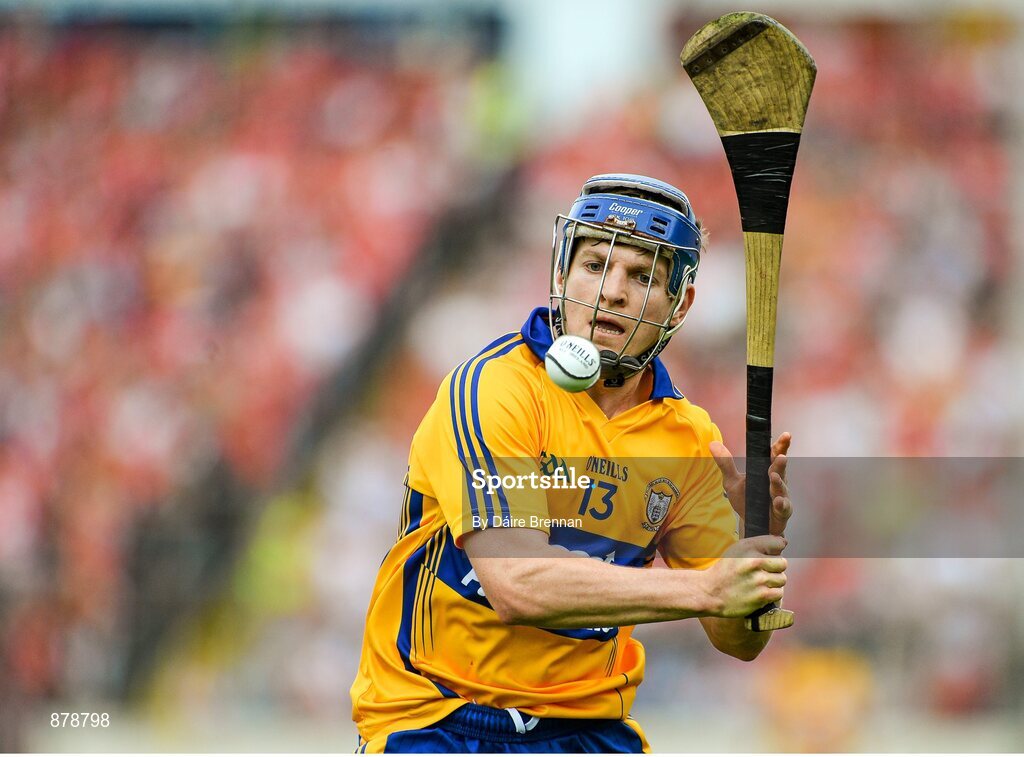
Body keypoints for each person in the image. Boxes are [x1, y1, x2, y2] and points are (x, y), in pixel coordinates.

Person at [350, 174, 794, 753]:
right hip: (437, 718)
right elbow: (517, 584)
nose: (612, 292)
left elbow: (738, 641)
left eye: (642, 276)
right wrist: (707, 587)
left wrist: (756, 554)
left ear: (679, 303)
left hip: (584, 729)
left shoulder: (688, 439)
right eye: (595, 266)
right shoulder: (495, 389)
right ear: (561, 274)